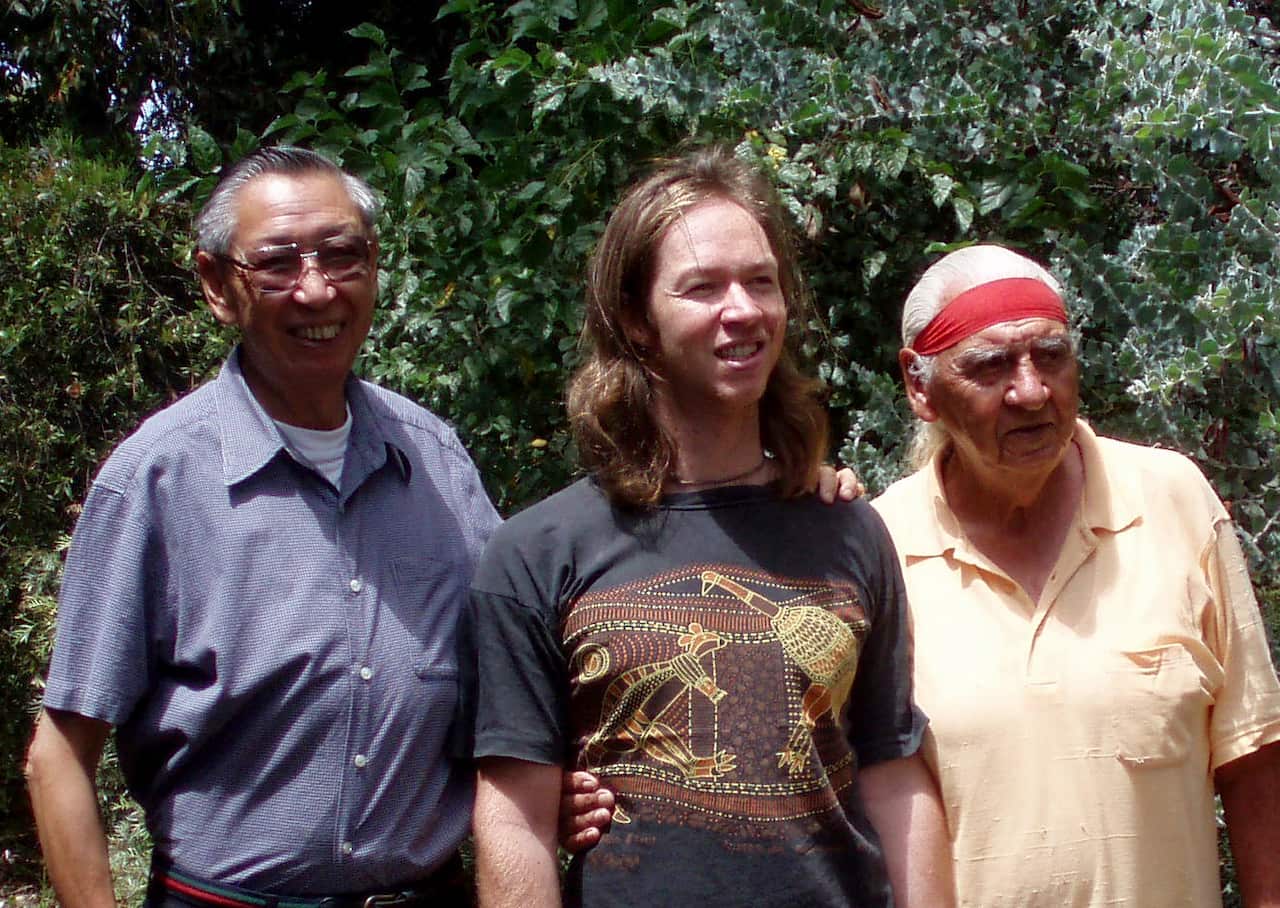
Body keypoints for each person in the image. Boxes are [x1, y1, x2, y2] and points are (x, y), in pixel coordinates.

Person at [459, 147, 954, 908]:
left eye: (762, 281)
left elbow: (892, 772)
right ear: (636, 320)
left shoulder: (849, 531)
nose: (744, 309)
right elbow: (515, 816)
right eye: (701, 287)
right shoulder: (537, 552)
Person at [24, 146, 505, 907]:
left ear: (374, 267)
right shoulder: (156, 480)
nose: (317, 290)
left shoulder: (437, 462)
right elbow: (59, 756)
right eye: (277, 264)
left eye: (342, 255)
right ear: (218, 286)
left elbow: (515, 680)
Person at [872, 244, 1280, 906]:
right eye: (990, 365)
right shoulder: (880, 552)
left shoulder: (1170, 500)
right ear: (921, 387)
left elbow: (1254, 755)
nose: (1031, 391)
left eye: (1051, 355)